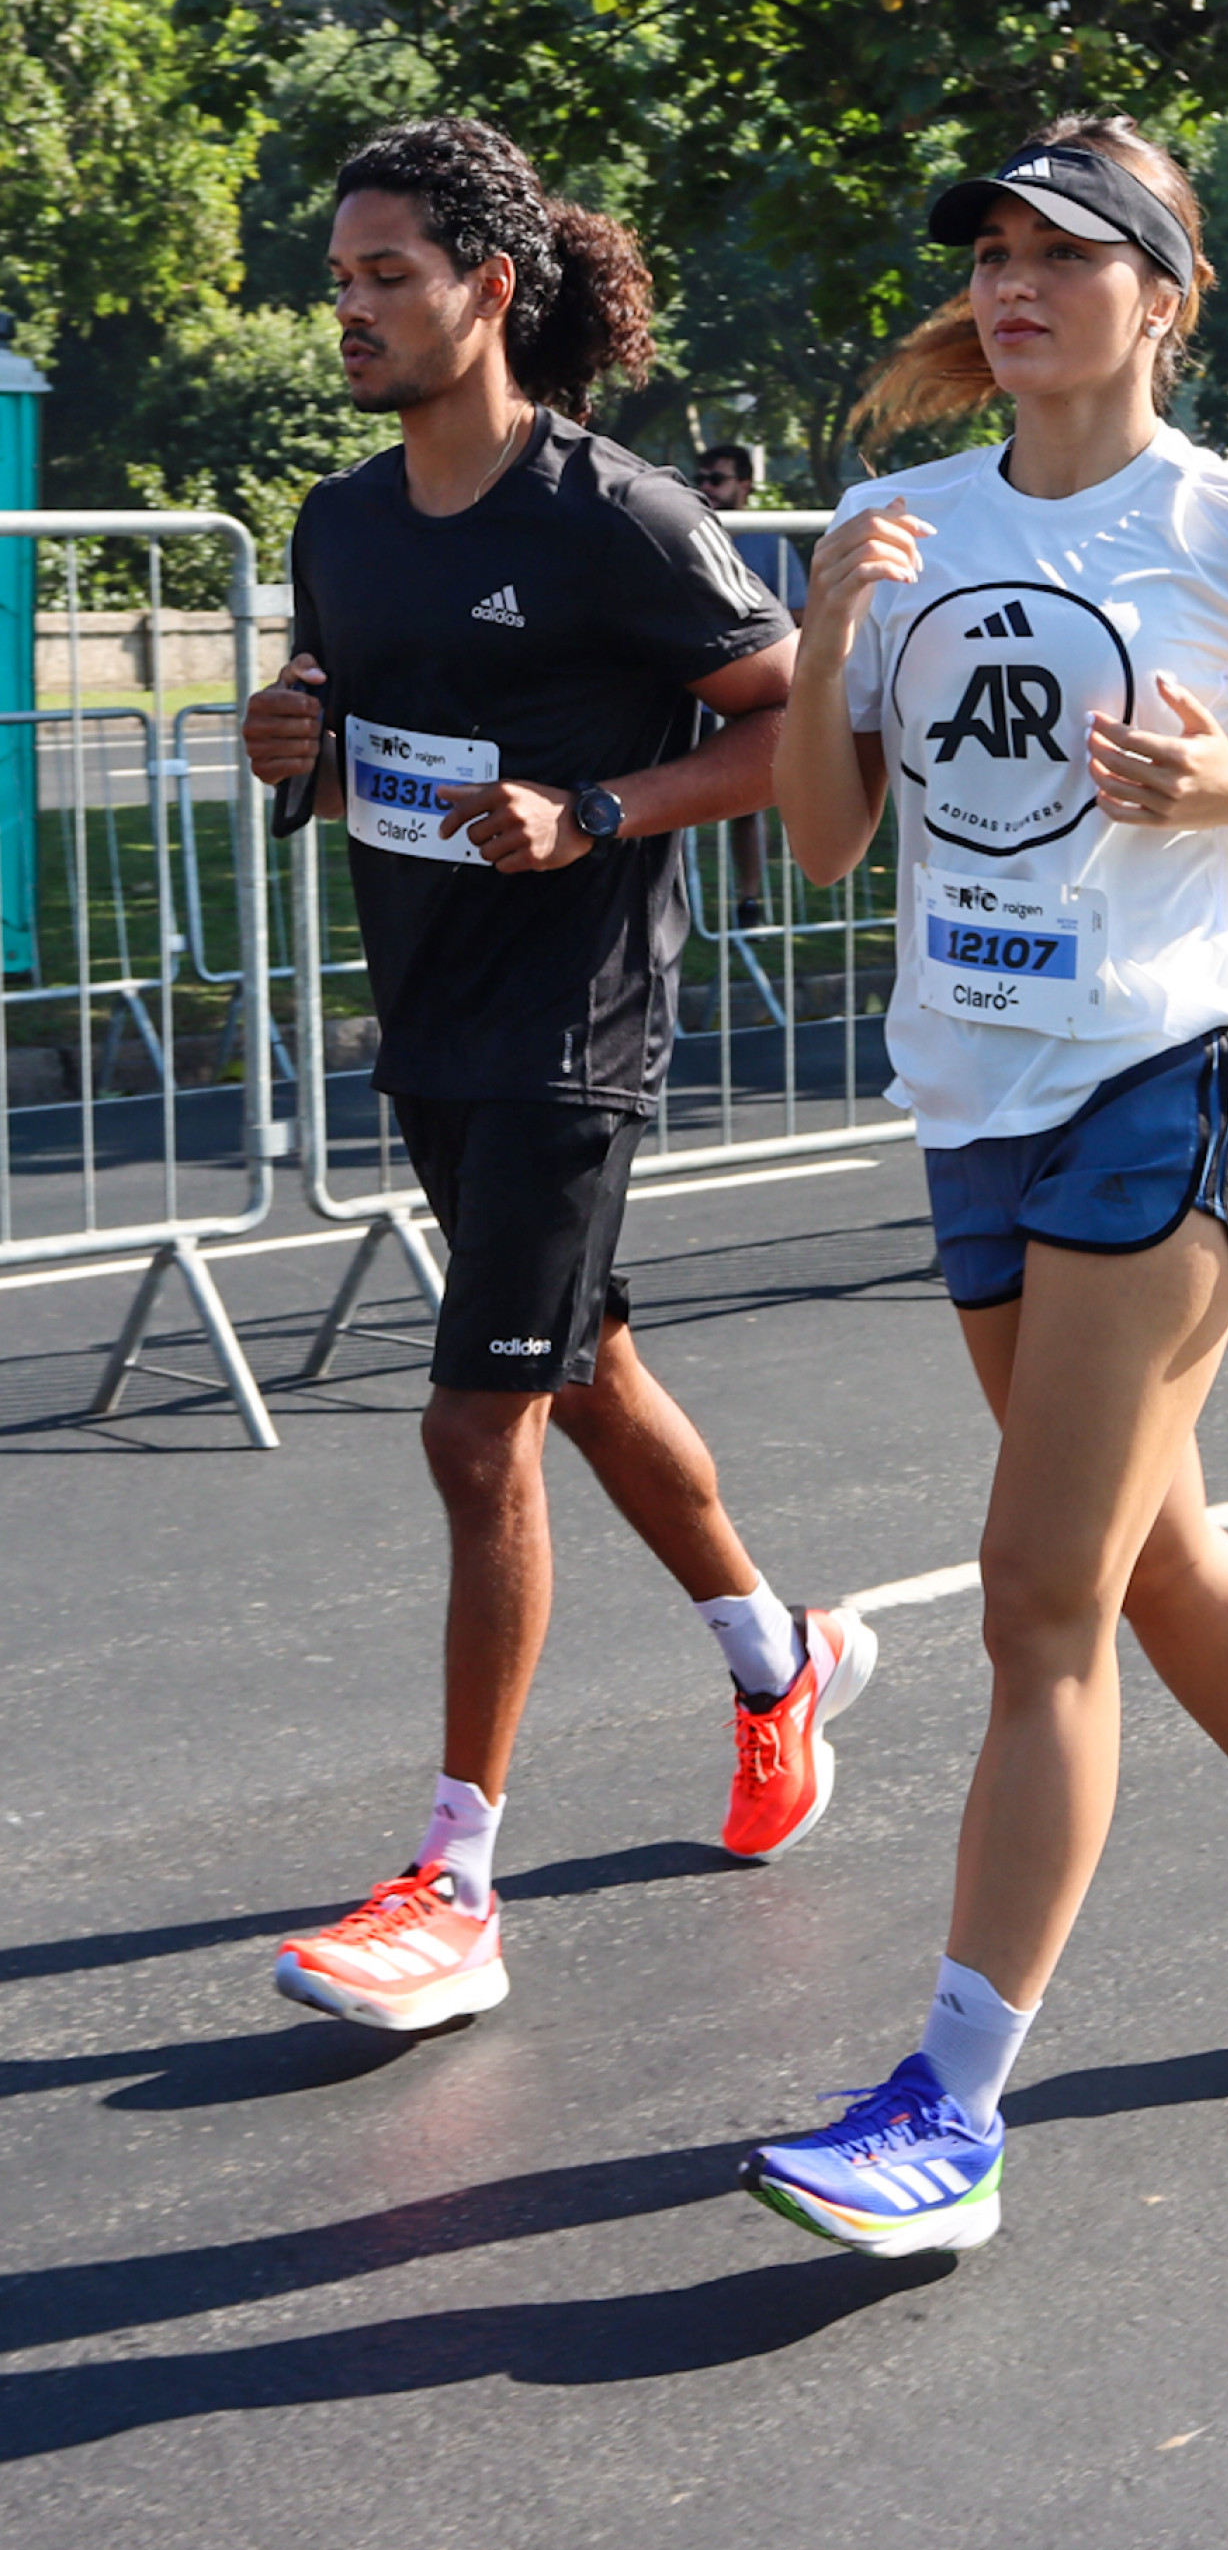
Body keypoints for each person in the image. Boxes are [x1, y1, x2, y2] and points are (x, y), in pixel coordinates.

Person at [740, 116, 1228, 2259]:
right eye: (991, 254)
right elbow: (825, 843)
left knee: (1037, 1589)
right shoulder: (893, 522)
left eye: (1066, 250)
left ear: (1165, 295)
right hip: (971, 1091)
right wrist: (814, 642)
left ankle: (948, 2108)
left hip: (1166, 1073)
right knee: (1145, 1557)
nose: (1013, 282)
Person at [239, 118, 875, 2034]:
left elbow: (795, 737)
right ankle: (779, 1665)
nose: (348, 310)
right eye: (338, 280)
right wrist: (292, 735)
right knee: (580, 1367)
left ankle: (458, 1881)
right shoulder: (340, 522)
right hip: (428, 1009)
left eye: (387, 278)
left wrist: (599, 805)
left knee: (474, 1426)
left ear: (488, 292)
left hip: (575, 1025)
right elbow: (343, 739)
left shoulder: (618, 517)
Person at [694, 444, 810, 930]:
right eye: (699, 478)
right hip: (687, 694)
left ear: (745, 487)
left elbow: (802, 616)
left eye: (717, 480)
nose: (706, 490)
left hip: (751, 700)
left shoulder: (769, 543)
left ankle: (749, 901)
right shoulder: (680, 532)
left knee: (749, 803)